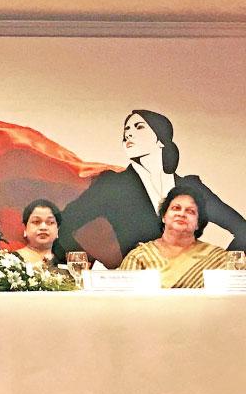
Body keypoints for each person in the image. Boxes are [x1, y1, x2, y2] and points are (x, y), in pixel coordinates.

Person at [58, 109, 246, 268]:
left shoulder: (190, 187)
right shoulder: (113, 185)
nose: (128, 134)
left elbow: (242, 229)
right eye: (126, 130)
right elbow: (64, 224)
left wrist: (225, 270)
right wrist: (88, 267)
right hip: (138, 291)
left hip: (189, 290)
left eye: (139, 127)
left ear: (161, 140)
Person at [119, 186, 226, 288]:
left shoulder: (218, 259)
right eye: (176, 208)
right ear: (163, 217)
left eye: (190, 211)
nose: (182, 214)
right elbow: (123, 301)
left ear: (198, 223)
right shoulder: (140, 257)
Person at [15, 199, 66, 269]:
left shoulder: (68, 264)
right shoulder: (10, 261)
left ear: (57, 229)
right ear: (25, 228)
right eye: (36, 222)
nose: (43, 227)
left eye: (50, 222)